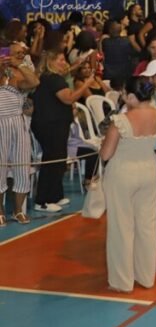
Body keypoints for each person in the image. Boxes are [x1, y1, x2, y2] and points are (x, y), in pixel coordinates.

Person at [100, 77, 156, 292]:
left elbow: (106, 154)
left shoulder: (120, 120)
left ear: (131, 96)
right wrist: (155, 152)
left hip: (122, 174)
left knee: (122, 227)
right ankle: (146, 277)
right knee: (147, 226)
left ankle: (122, 281)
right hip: (149, 171)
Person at [32, 51, 97, 212]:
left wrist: (79, 63)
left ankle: (55, 195)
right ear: (51, 61)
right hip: (50, 125)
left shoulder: (50, 78)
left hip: (56, 124)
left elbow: (69, 72)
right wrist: (86, 84)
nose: (64, 62)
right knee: (52, 160)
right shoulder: (53, 79)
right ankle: (42, 201)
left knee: (59, 159)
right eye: (60, 59)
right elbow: (69, 98)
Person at [0, 47, 38, 224]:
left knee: (22, 166)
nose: (21, 55)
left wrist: (19, 65)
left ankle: (18, 211)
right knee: (0, 168)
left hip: (18, 122)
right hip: (0, 122)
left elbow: (34, 82)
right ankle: (0, 212)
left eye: (23, 53)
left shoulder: (19, 75)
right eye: (16, 52)